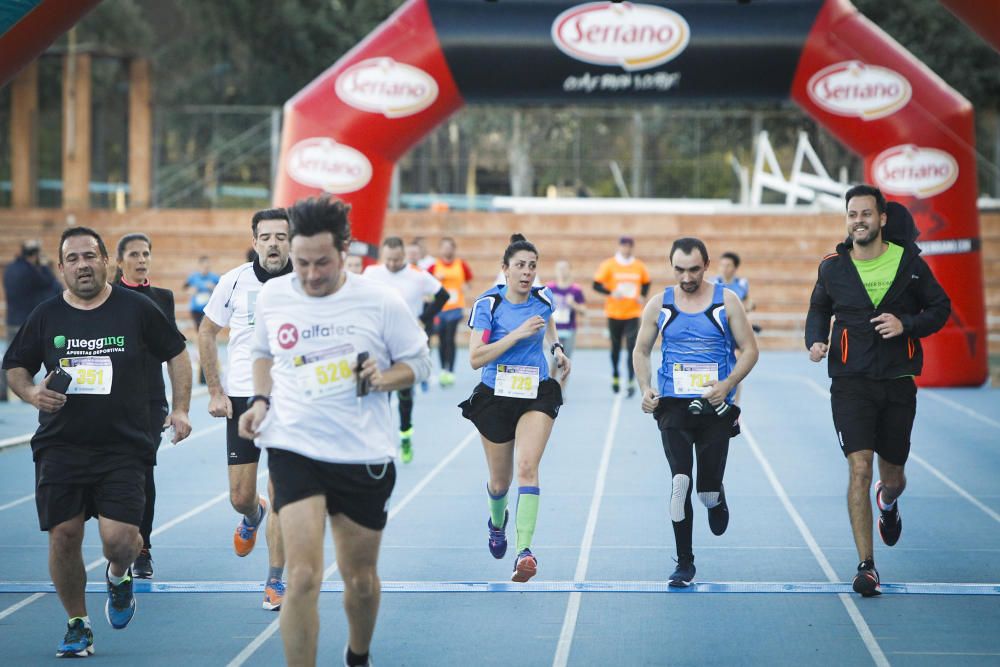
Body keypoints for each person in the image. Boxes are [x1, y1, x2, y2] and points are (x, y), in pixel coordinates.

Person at [238, 195, 431, 667]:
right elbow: (261, 352)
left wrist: (383, 379)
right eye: (302, 262)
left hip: (361, 451)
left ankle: (358, 655)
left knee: (360, 579)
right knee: (303, 576)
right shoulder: (275, 295)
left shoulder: (378, 300)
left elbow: (419, 363)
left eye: (322, 262)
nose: (310, 274)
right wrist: (261, 399)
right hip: (294, 444)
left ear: (344, 251)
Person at [2, 227, 192, 657]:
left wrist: (180, 408)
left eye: (90, 256)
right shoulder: (46, 314)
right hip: (61, 445)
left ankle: (119, 574)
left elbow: (178, 353)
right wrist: (32, 393)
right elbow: (14, 365)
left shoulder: (137, 310)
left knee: (121, 540)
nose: (82, 265)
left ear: (107, 261)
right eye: (73, 259)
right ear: (62, 267)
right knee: (63, 536)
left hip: (123, 445)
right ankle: (77, 623)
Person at [805, 185, 950, 597]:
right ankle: (867, 566)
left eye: (866, 214)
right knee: (859, 468)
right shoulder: (833, 267)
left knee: (893, 475)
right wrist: (815, 339)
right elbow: (819, 307)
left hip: (898, 381)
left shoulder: (911, 264)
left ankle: (887, 502)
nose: (858, 221)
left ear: (882, 218)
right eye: (852, 214)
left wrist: (908, 325)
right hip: (850, 383)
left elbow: (940, 309)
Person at [633, 237, 758, 587]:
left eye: (693, 269)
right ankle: (684, 562)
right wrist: (646, 388)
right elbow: (641, 351)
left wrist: (728, 384)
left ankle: (715, 497)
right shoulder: (659, 304)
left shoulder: (726, 301)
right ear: (671, 267)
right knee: (679, 481)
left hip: (715, 404)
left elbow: (750, 350)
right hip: (672, 404)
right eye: (679, 270)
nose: (686, 277)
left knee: (705, 489)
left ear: (706, 265)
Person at [459, 234, 570, 583]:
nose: (526, 272)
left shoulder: (543, 297)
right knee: (499, 482)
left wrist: (556, 350)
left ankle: (524, 551)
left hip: (536, 391)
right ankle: (497, 522)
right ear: (504, 269)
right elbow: (476, 359)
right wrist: (516, 335)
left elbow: (548, 323)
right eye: (520, 266)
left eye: (532, 267)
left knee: (527, 467)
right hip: (495, 395)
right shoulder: (487, 305)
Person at [198, 207, 292, 611]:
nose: (273, 243)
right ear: (255, 242)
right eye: (266, 237)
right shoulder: (233, 282)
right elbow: (206, 332)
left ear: (291, 241)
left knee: (283, 492)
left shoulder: (305, 282)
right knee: (240, 496)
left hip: (288, 400)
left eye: (281, 237)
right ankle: (253, 515)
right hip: (239, 398)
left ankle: (274, 581)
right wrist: (215, 390)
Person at [114, 233, 187, 579]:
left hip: (150, 401)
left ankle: (141, 549)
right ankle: (119, 541)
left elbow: (172, 351)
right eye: (134, 254)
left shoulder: (162, 298)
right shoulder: (106, 296)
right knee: (112, 475)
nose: (141, 260)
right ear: (118, 261)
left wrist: (178, 406)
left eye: (146, 254)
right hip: (110, 400)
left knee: (142, 470)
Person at [363, 236, 449, 463]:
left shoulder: (417, 276)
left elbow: (443, 295)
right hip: (378, 344)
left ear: (404, 255)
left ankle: (405, 434)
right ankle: (379, 442)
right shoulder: (372, 274)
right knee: (379, 393)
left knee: (404, 396)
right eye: (389, 260)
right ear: (383, 257)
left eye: (397, 259)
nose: (393, 264)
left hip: (406, 345)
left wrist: (424, 318)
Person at [2, 239, 62, 400]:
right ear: (35, 254)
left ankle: (3, 392)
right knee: (28, 360)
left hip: (12, 318)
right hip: (27, 320)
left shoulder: (10, 269)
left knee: (10, 359)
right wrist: (43, 266)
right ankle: (27, 390)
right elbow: (53, 284)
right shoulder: (34, 272)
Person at [593, 236, 650, 397]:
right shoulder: (609, 265)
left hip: (632, 313)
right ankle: (616, 374)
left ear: (632, 247)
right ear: (619, 247)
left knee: (632, 347)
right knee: (616, 347)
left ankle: (632, 379)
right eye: (624, 246)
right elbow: (596, 284)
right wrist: (611, 292)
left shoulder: (638, 266)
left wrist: (643, 295)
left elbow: (646, 282)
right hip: (614, 313)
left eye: (629, 246)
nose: (626, 249)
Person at [431, 237, 473, 387]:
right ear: (440, 249)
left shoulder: (461, 265)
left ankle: (451, 370)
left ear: (453, 249)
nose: (447, 250)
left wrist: (466, 288)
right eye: (444, 247)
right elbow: (427, 284)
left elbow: (468, 282)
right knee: (442, 339)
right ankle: (443, 368)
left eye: (450, 247)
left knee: (450, 338)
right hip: (440, 308)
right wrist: (436, 279)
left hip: (455, 307)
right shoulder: (434, 266)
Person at [546, 260, 586, 359]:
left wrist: (573, 304)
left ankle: (564, 375)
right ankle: (552, 375)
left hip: (569, 329)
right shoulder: (549, 288)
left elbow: (584, 311)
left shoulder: (576, 290)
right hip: (553, 329)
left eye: (564, 269)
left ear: (570, 271)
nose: (562, 271)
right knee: (553, 361)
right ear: (555, 271)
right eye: (560, 269)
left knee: (566, 360)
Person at [184, 255, 219, 332]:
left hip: (209, 309)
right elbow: (186, 288)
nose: (206, 268)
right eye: (204, 266)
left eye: (208, 267)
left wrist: (213, 288)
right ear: (200, 266)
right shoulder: (193, 277)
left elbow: (221, 291)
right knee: (199, 331)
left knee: (208, 331)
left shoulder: (214, 277)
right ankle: (198, 344)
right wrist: (191, 291)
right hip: (196, 309)